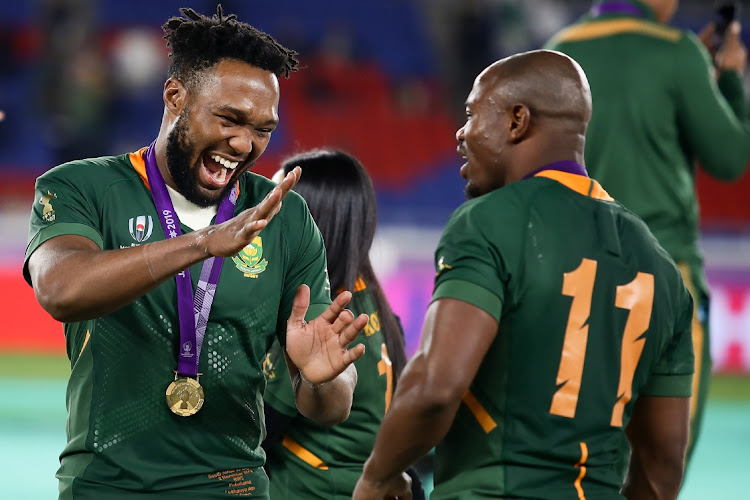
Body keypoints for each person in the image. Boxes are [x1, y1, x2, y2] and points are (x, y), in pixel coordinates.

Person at [23, 6, 368, 499]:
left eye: (263, 128)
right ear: (175, 97)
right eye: (229, 118)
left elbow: (330, 406)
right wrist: (203, 243)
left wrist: (319, 382)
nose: (244, 143)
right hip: (105, 487)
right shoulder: (82, 187)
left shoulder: (285, 218)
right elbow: (61, 289)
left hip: (233, 488)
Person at [353, 49, 695, 500]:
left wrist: (378, 476)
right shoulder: (661, 267)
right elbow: (663, 465)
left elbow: (436, 386)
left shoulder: (488, 221)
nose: (460, 132)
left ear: (517, 121)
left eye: (473, 113)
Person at [545, 0, 750, 465]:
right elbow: (730, 157)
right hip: (663, 278)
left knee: (581, 457)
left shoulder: (559, 51)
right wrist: (730, 79)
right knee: (659, 465)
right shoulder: (678, 52)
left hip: (576, 279)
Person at [260, 149, 423, 499]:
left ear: (309, 219)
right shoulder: (369, 298)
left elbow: (257, 431)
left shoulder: (318, 315)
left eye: (276, 205)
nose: (263, 215)